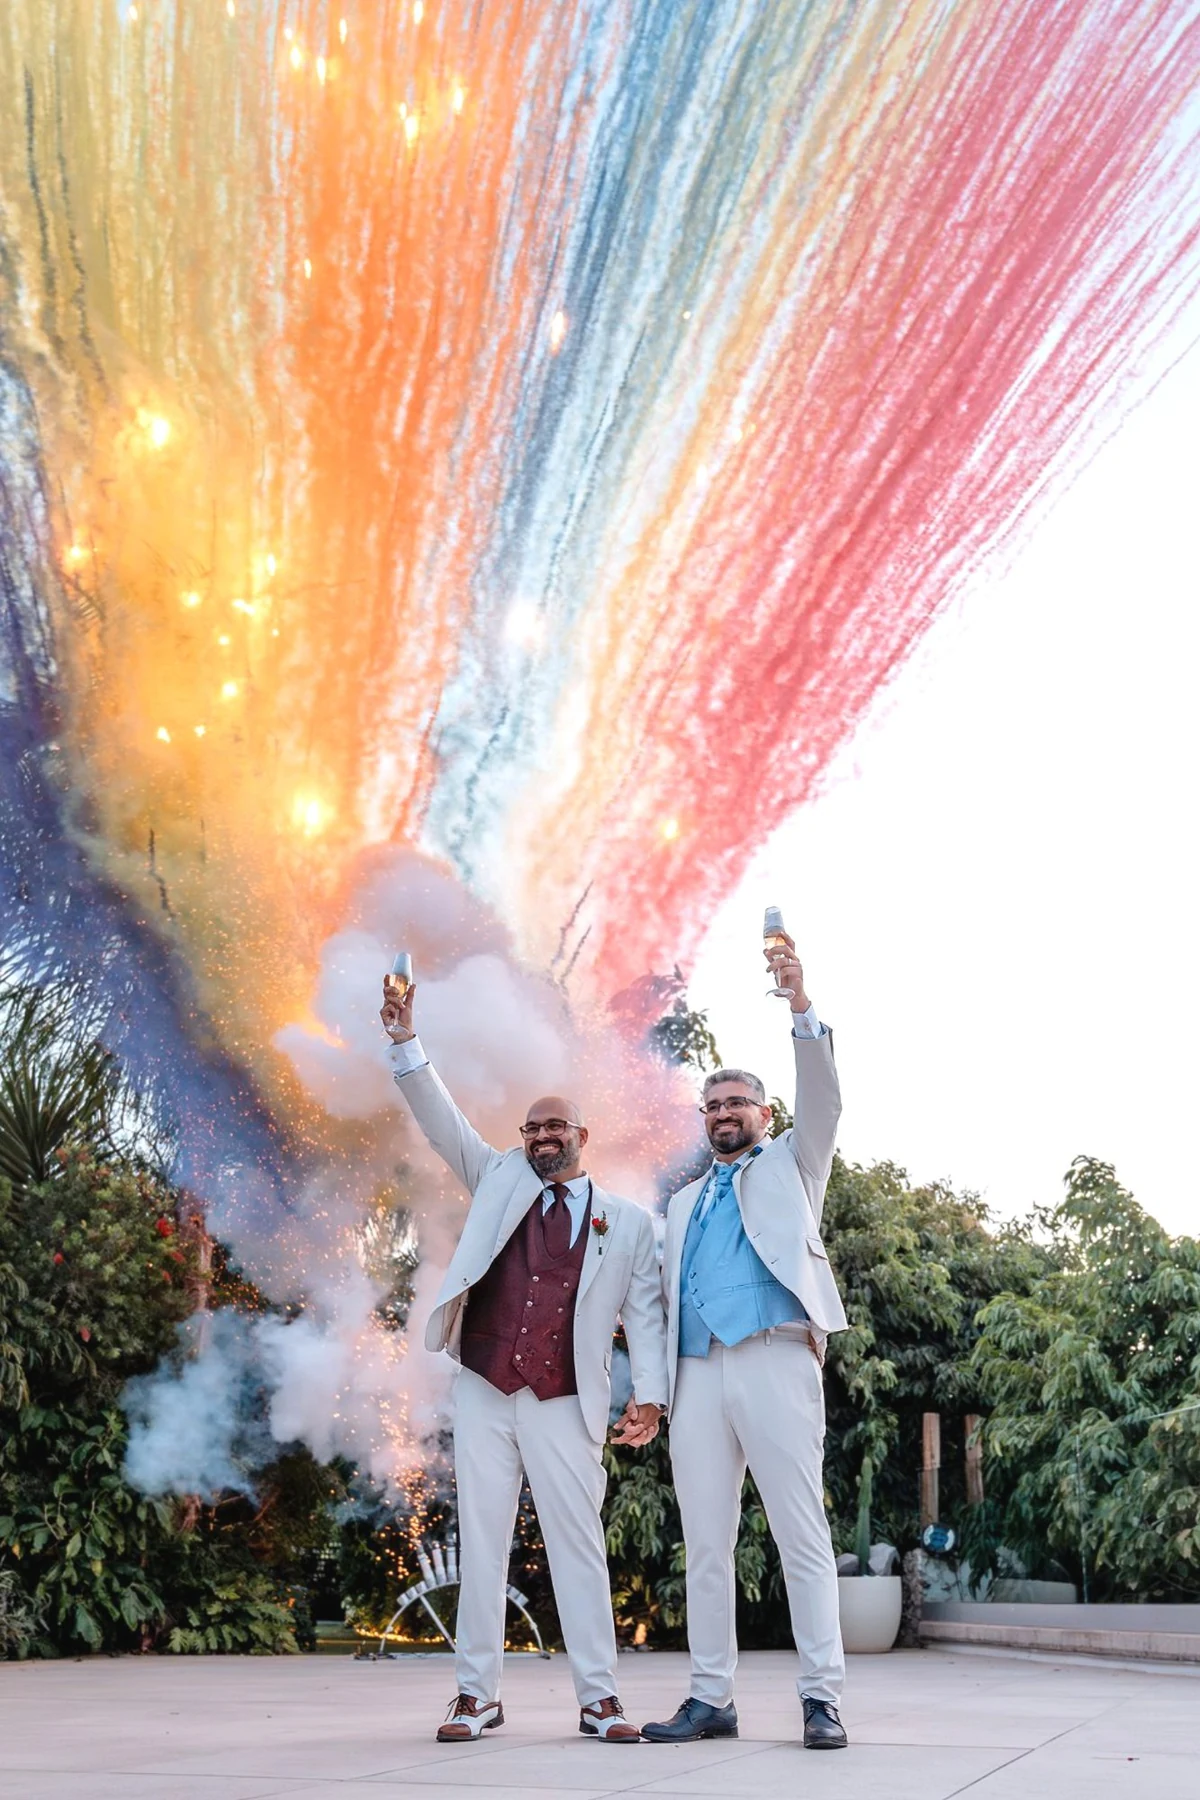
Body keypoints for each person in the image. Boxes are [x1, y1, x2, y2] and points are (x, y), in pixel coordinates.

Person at [381, 977, 667, 1745]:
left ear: (583, 1134)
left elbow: (645, 1316)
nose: (542, 1138)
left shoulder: (631, 1222)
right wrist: (406, 1041)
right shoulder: (498, 1175)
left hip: (569, 1399)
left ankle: (599, 1699)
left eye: (555, 1128)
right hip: (484, 1386)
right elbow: (441, 1122)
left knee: (579, 1546)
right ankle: (477, 1697)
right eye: (532, 1128)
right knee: (482, 1539)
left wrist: (652, 1396)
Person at [641, 928, 850, 1750]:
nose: (725, 1113)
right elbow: (660, 1300)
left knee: (801, 1533)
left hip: (773, 1356)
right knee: (705, 1546)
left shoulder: (794, 1166)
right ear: (704, 1119)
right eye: (714, 1104)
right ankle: (710, 1698)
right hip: (697, 1376)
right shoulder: (684, 1203)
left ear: (765, 1115)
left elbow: (827, 1098)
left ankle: (821, 1699)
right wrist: (653, 1393)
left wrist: (799, 1002)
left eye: (739, 1103)